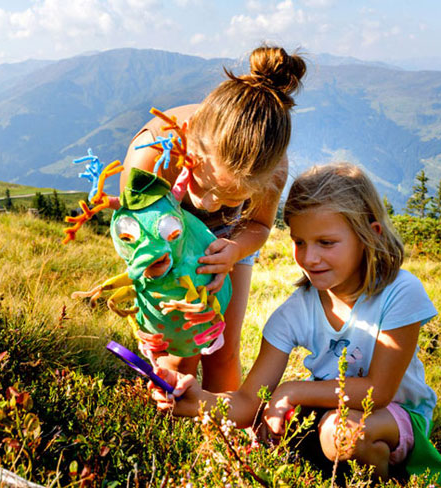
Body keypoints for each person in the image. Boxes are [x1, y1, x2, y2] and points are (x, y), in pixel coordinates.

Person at [150, 162, 441, 483]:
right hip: (327, 416)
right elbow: (249, 401)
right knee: (305, 429)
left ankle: (391, 478)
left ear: (369, 236)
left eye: (326, 242)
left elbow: (378, 393)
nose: (309, 258)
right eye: (299, 241)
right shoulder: (296, 311)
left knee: (340, 432)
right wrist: (199, 400)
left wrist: (291, 390)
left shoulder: (399, 292)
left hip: (399, 418)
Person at [119, 45, 307, 393]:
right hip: (162, 244)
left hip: (229, 239)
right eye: (205, 185)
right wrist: (150, 307)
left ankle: (223, 430)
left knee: (221, 348)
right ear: (189, 140)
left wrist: (234, 251)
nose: (208, 202)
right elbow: (136, 241)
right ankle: (170, 433)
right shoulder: (151, 154)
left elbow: (261, 226)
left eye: (230, 198)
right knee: (177, 353)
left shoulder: (272, 169)